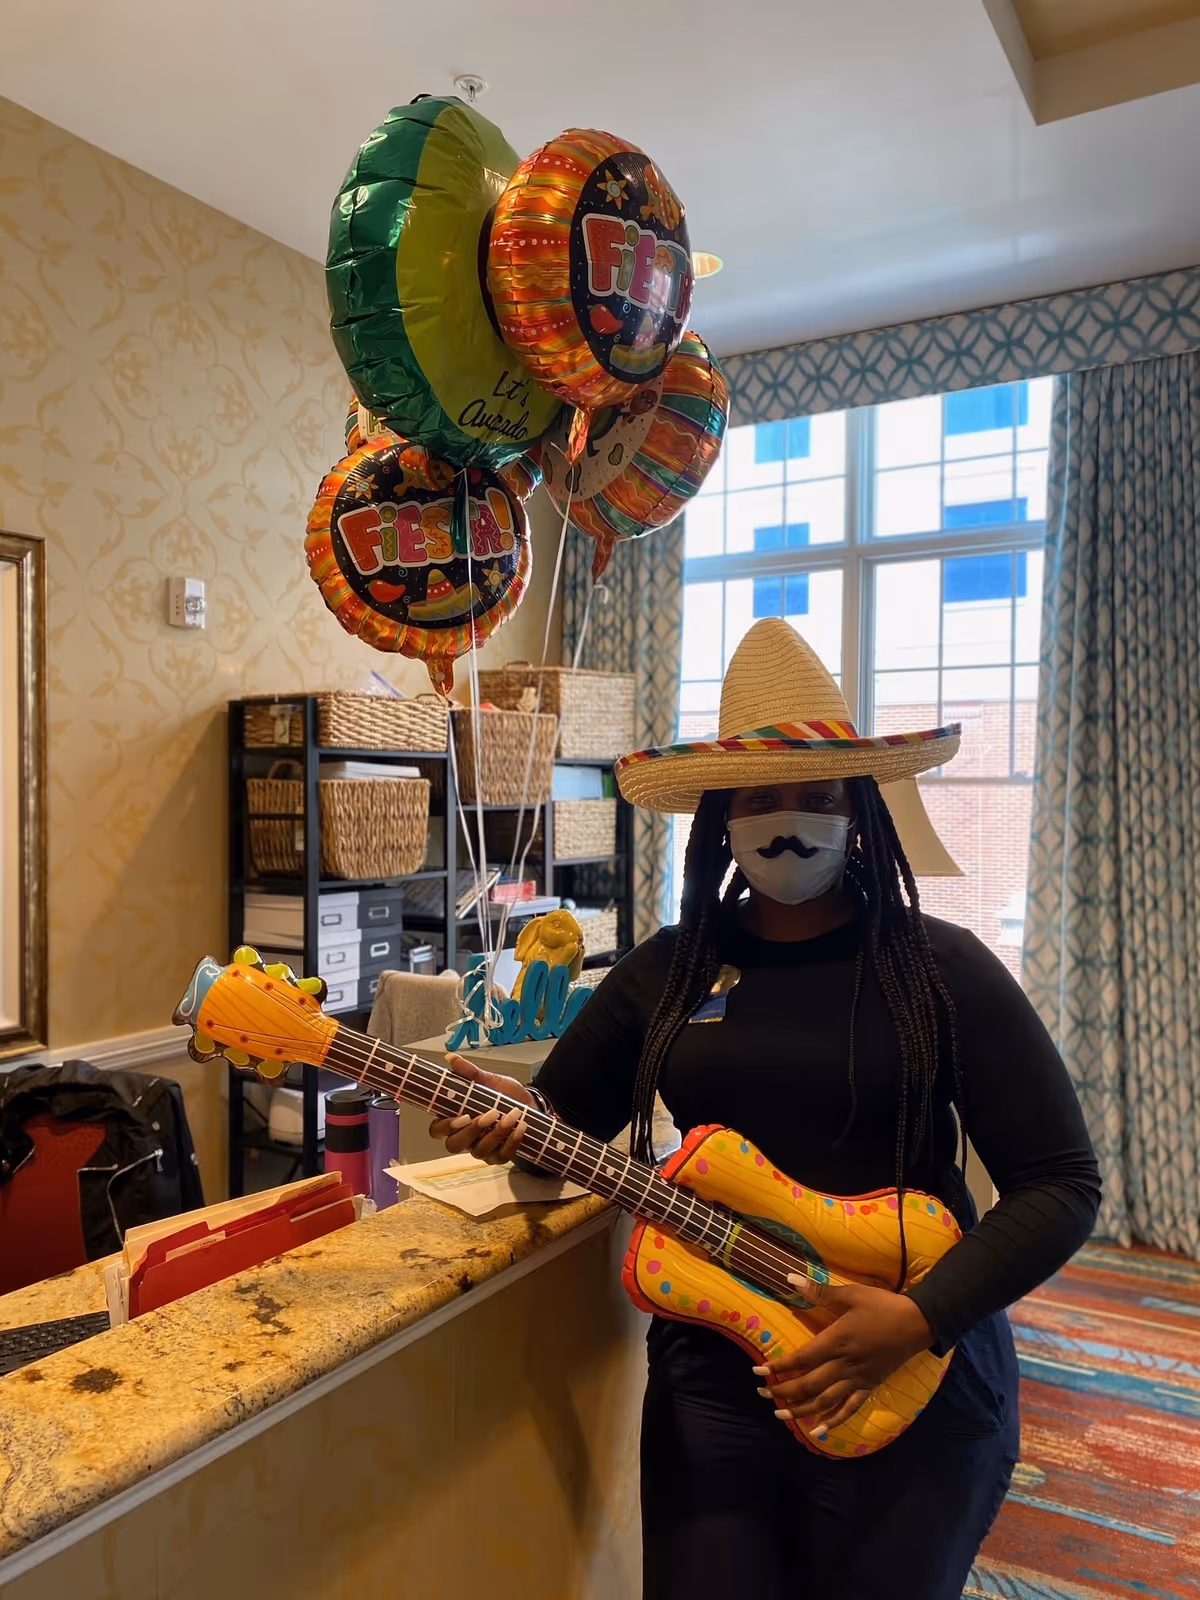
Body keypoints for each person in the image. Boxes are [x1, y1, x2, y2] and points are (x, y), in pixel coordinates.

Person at [431, 617, 1100, 1600]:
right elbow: (558, 1129)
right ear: (721, 819)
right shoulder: (668, 970)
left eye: (819, 796)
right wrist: (509, 1121)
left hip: (917, 1362)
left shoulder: (941, 969)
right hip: (718, 1377)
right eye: (760, 798)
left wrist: (919, 1318)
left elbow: (1061, 1183)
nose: (790, 821)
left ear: (860, 810)